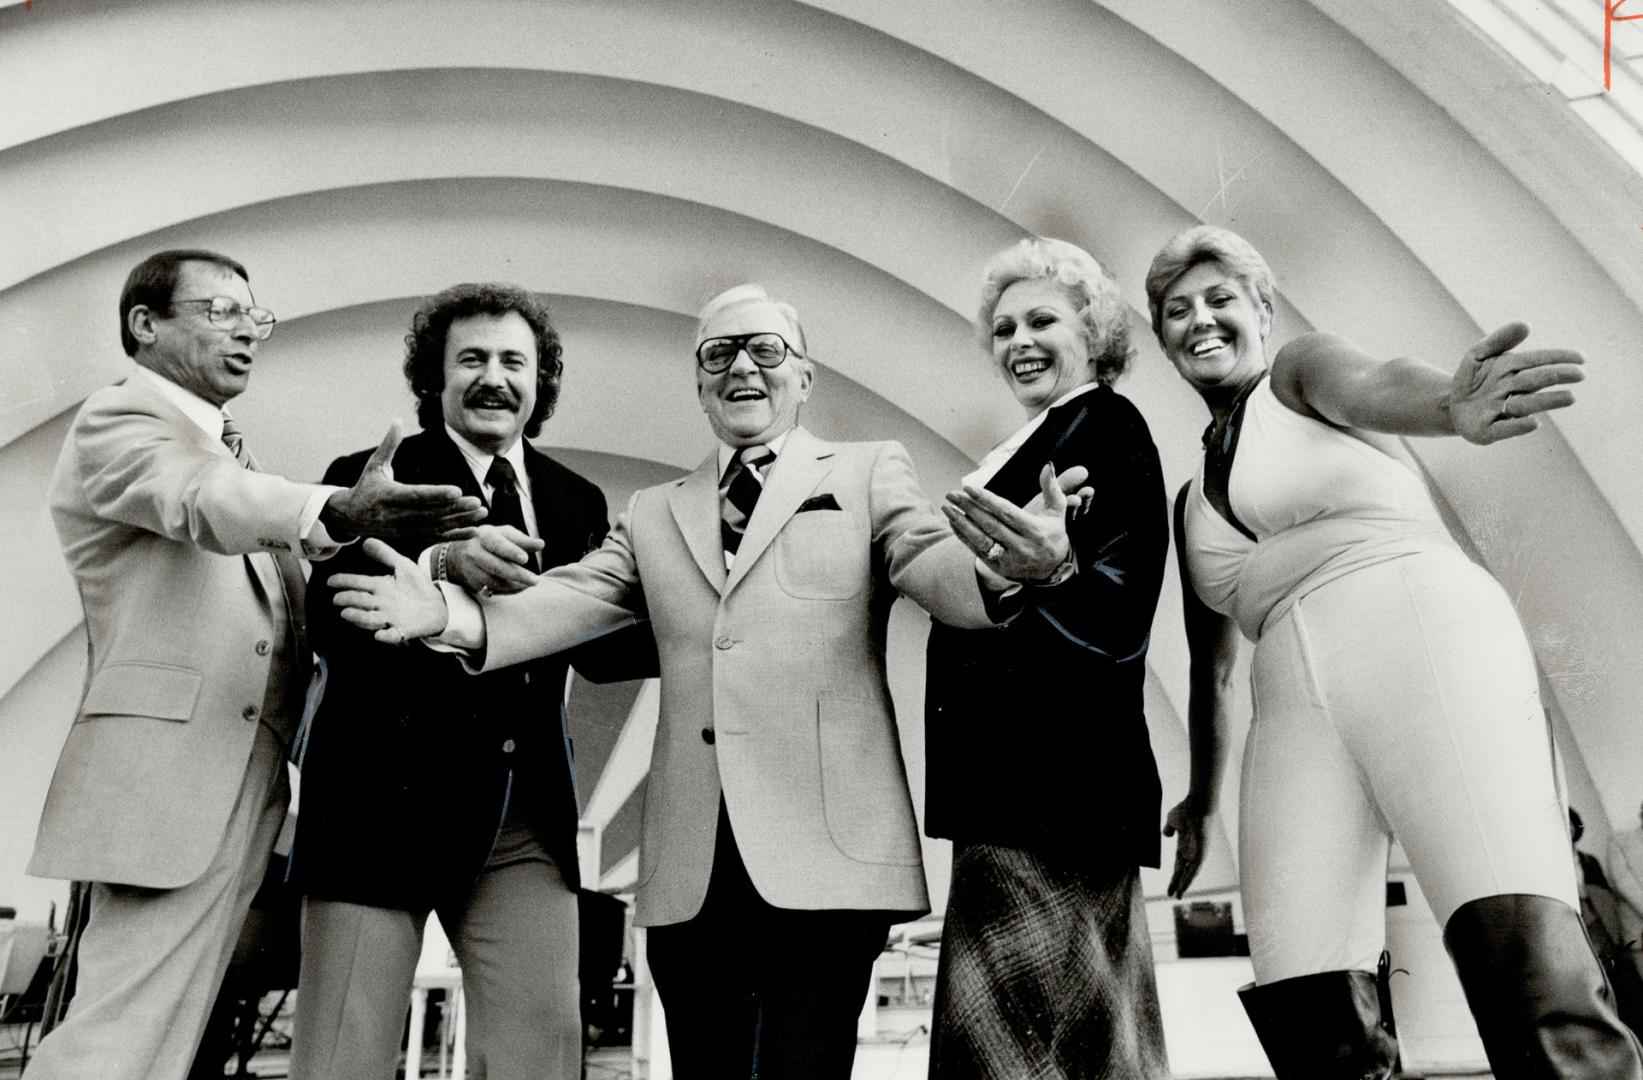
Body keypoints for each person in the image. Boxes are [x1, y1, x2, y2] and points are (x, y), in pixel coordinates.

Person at [328, 283, 1082, 1080]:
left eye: (765, 350)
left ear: (804, 377)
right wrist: (448, 613)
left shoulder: (868, 471)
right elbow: (575, 597)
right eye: (718, 354)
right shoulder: (655, 511)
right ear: (697, 383)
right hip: (691, 870)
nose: (741, 369)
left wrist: (1009, 574)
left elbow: (930, 560)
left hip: (826, 857)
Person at [1146, 224, 1643, 1078]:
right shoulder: (1187, 498)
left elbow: (1376, 385)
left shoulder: (1298, 376)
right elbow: (1211, 667)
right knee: (1308, 1005)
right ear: (1159, 337)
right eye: (1176, 310)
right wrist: (1200, 797)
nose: (1200, 320)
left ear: (1260, 307)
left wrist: (1450, 406)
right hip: (1291, 710)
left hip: (1421, 635)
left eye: (1220, 298)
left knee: (1518, 956)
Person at [26, 249, 484, 1080]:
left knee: (160, 1037)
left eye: (256, 317)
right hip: (168, 778)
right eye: (220, 312)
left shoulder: (227, 453)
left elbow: (286, 596)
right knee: (120, 1032)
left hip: (238, 774)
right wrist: (330, 506)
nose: (248, 333)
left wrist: (444, 572)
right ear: (146, 324)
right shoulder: (122, 422)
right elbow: (199, 503)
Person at [288, 284, 611, 1079]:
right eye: (471, 359)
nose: (493, 377)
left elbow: (606, 648)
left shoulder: (577, 502)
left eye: (513, 361)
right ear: (432, 380)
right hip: (376, 812)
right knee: (341, 1058)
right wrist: (441, 567)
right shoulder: (375, 477)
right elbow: (333, 618)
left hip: (520, 819)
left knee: (540, 1052)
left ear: (541, 383)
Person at [922, 238, 1175, 1078]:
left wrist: (1057, 570)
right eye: (1002, 328)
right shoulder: (1041, 435)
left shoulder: (1103, 425)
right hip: (1025, 795)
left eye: (1041, 320)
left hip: (1049, 797)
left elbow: (1118, 612)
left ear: (1094, 332)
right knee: (1077, 1045)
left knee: (1023, 1049)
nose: (1017, 340)